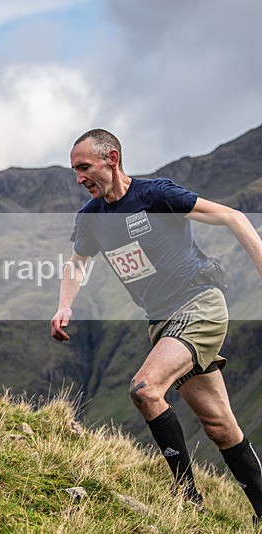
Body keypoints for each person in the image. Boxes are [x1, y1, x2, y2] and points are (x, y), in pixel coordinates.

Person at [50, 128, 262, 521]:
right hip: (162, 324)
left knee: (145, 390)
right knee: (220, 426)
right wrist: (65, 306)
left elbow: (233, 217)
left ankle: (187, 499)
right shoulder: (91, 219)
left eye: (84, 167)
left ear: (112, 159)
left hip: (199, 304)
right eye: (74, 171)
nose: (79, 178)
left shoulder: (156, 195)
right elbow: (77, 264)